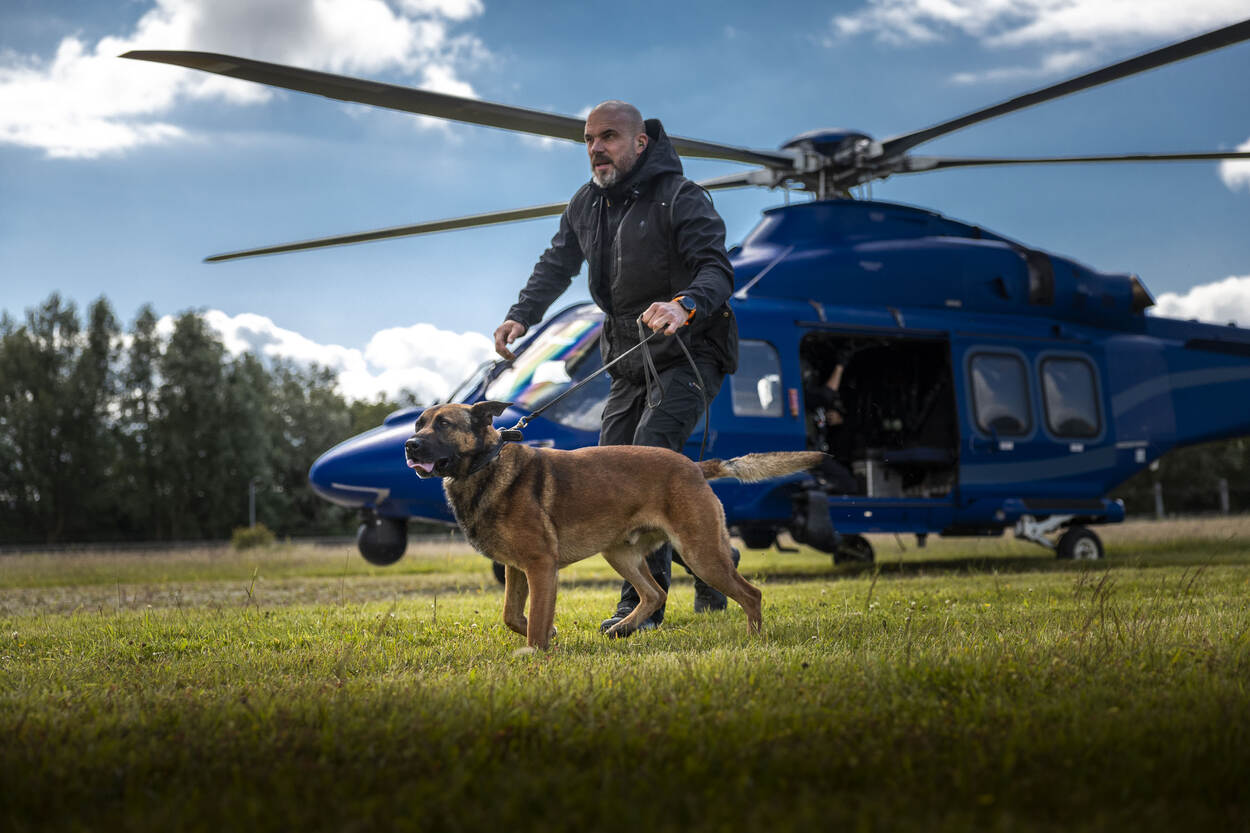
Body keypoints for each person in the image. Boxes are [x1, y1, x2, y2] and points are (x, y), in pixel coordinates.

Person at [493, 100, 738, 635]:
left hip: (688, 353)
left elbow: (717, 270)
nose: (596, 149)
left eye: (608, 137)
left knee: (647, 464)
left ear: (639, 142)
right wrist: (520, 316)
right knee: (603, 475)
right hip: (626, 358)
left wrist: (684, 304)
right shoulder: (586, 203)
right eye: (588, 139)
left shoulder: (682, 197)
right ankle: (718, 556)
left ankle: (641, 610)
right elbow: (556, 263)